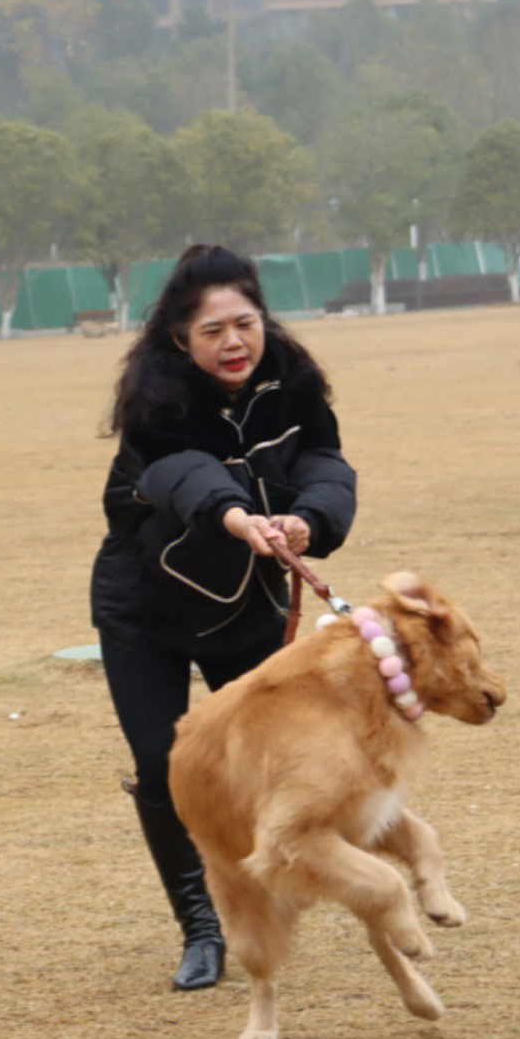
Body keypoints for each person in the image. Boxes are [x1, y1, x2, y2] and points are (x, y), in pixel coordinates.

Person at [91, 244, 357, 991]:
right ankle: (200, 926)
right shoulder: (156, 401)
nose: (233, 342)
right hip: (146, 610)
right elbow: (181, 474)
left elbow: (326, 464)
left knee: (263, 768)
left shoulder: (293, 381)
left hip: (249, 610)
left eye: (245, 323)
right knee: (165, 765)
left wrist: (309, 520)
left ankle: (257, 899)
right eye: (213, 331)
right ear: (180, 338)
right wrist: (236, 516)